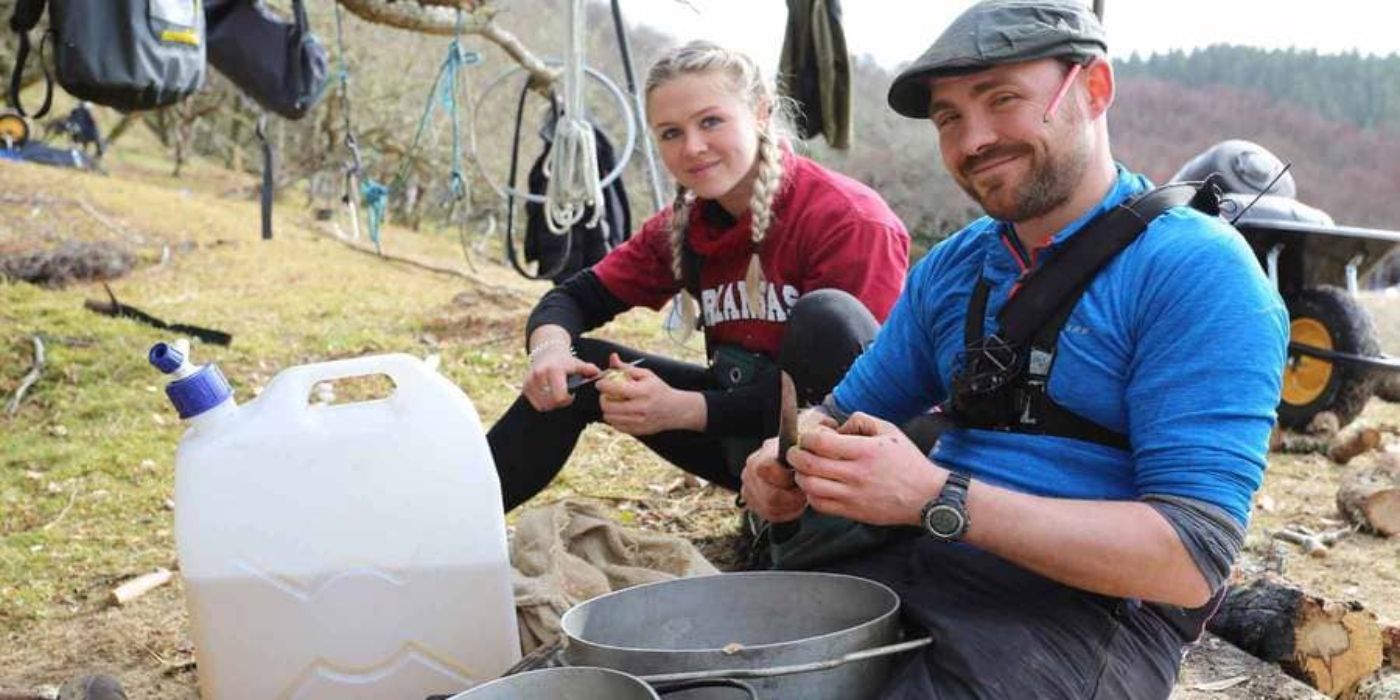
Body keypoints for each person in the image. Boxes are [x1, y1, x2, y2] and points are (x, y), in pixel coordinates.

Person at [740, 1, 1289, 697]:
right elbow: (843, 409)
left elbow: (1187, 559)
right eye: (949, 119)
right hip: (923, 561)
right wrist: (786, 457)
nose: (973, 141)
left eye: (1003, 100)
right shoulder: (954, 269)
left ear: (1094, 90)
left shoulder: (1197, 272)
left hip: (1085, 615)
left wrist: (935, 497)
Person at [488, 40, 910, 513]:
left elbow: (859, 389)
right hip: (739, 427)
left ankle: (812, 534)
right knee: (581, 368)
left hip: (843, 447)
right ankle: (448, 526)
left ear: (760, 112)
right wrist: (548, 352)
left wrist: (683, 409)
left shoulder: (847, 220)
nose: (692, 147)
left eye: (711, 121)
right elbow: (575, 297)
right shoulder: (685, 224)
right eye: (670, 133)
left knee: (826, 318)